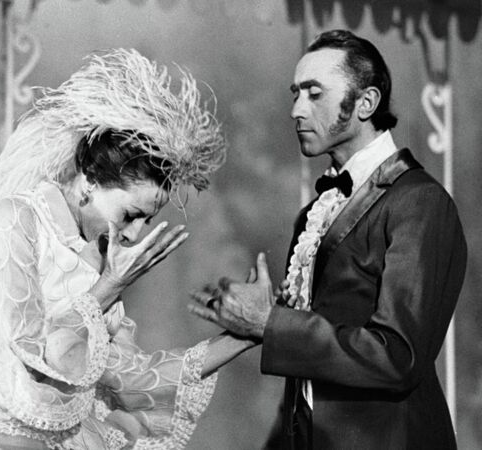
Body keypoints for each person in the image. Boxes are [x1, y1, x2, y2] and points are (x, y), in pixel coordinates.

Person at [0, 49, 258, 450]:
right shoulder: (15, 219)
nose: (134, 234)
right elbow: (30, 363)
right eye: (130, 215)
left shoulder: (100, 256)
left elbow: (131, 379)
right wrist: (109, 286)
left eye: (147, 221)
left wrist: (250, 334)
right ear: (90, 181)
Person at [190, 29, 467, 449]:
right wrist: (266, 318)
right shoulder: (315, 213)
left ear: (366, 102)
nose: (296, 110)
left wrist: (270, 323)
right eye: (295, 94)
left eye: (314, 94)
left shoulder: (418, 201)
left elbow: (398, 356)